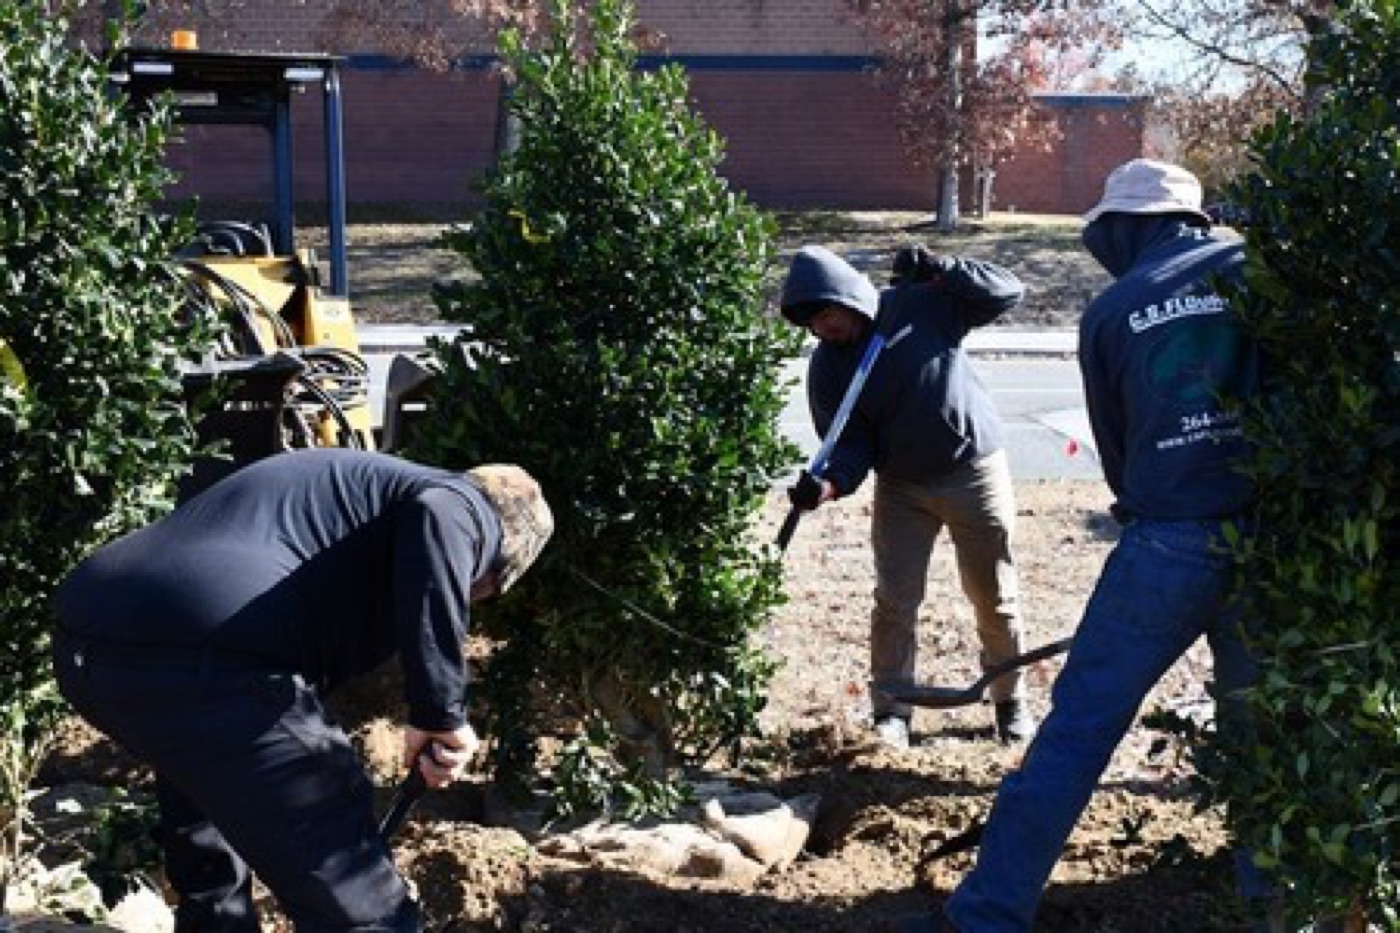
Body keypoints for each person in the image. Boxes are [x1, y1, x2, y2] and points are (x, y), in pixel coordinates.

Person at [921, 159, 1265, 931]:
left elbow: (1118, 456)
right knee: (1265, 743)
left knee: (1076, 732)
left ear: (1125, 229)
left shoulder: (1113, 310)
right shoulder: (1255, 273)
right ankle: (1278, 912)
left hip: (1168, 545)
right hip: (1268, 545)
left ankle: (987, 916)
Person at [53, 447, 554, 932]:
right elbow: (441, 516)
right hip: (214, 655)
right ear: (490, 565)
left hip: (91, 642)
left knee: (211, 867)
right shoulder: (462, 501)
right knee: (363, 908)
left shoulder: (352, 498)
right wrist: (440, 712)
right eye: (477, 590)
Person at [779, 243, 1034, 747]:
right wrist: (825, 486)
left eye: (829, 314)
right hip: (902, 488)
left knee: (993, 597)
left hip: (973, 471)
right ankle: (892, 710)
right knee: (894, 601)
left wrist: (946, 269)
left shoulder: (919, 304)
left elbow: (1006, 292)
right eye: (814, 324)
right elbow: (849, 445)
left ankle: (1010, 702)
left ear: (849, 298)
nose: (825, 329)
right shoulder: (828, 369)